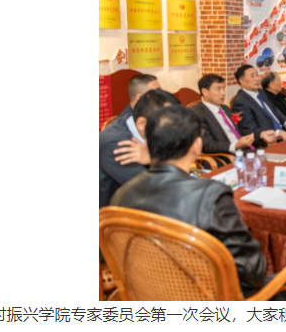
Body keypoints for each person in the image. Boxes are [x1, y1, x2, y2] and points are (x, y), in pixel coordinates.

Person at [110, 105, 269, 298]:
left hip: (147, 295)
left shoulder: (121, 195)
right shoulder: (211, 195)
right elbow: (252, 271)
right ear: (196, 146)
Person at [99, 89, 180, 209]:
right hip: (116, 214)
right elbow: (154, 191)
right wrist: (155, 159)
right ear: (142, 124)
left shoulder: (144, 126)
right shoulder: (117, 144)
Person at [191, 74, 274, 162]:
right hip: (226, 158)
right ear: (205, 92)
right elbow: (208, 145)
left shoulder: (225, 108)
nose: (223, 93)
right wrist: (236, 145)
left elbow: (238, 131)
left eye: (223, 88)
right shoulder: (197, 113)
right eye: (218, 89)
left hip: (244, 152)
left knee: (276, 155)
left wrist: (260, 134)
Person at [231, 65, 286, 141]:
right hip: (270, 140)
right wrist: (278, 133)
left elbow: (273, 109)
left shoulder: (261, 92)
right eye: (252, 76)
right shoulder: (240, 102)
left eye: (257, 75)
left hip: (284, 132)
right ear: (241, 81)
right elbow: (251, 129)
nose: (257, 79)